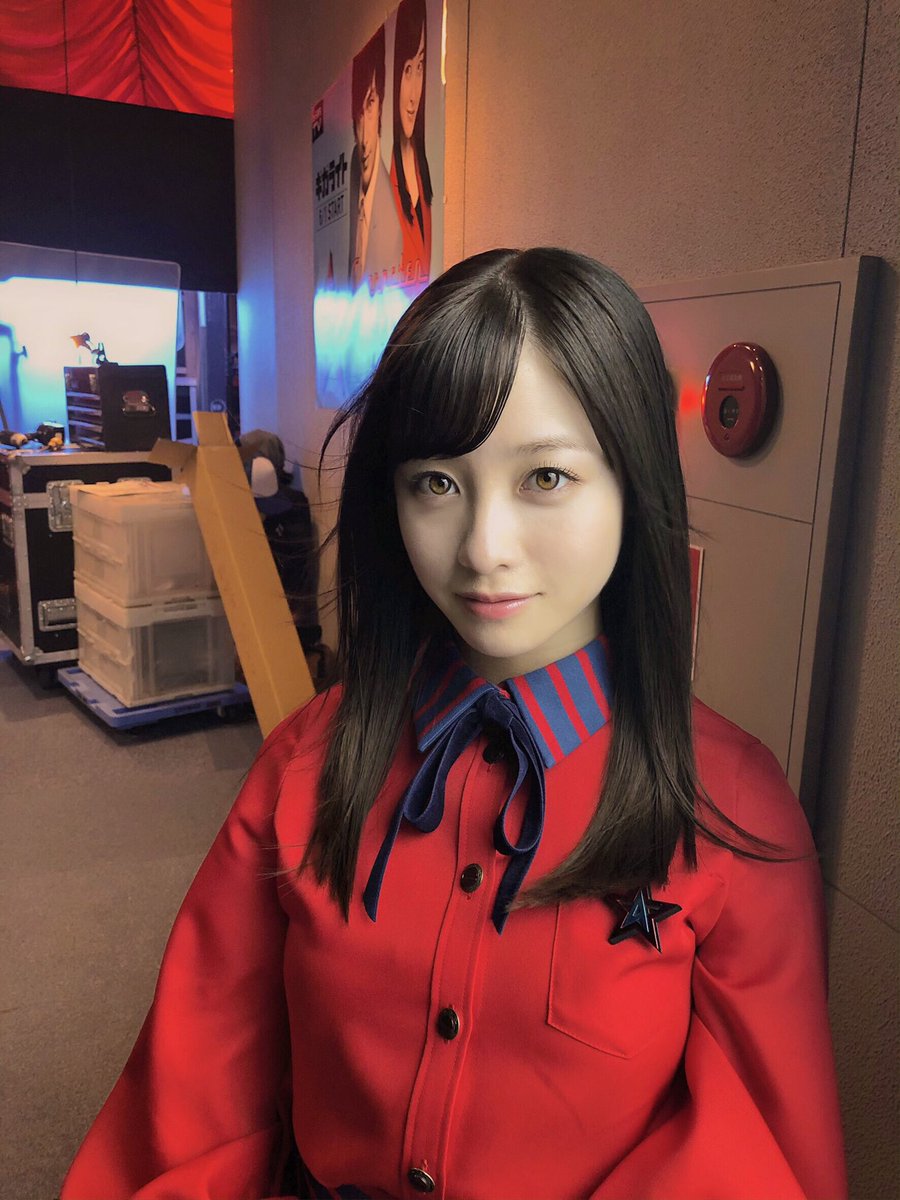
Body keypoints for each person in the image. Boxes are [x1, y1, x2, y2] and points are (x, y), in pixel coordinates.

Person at [60, 248, 846, 1200]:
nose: (483, 548)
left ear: (633, 481)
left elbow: (759, 1151)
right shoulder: (305, 761)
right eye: (436, 483)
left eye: (546, 478)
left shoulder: (734, 809)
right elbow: (193, 1093)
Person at [347, 25, 403, 293]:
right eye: (358, 112)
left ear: (381, 104)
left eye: (370, 103)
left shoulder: (394, 219)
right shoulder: (352, 177)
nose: (363, 129)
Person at [390, 0, 434, 287]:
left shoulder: (424, 173)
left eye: (420, 67)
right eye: (407, 70)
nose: (413, 94)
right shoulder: (386, 187)